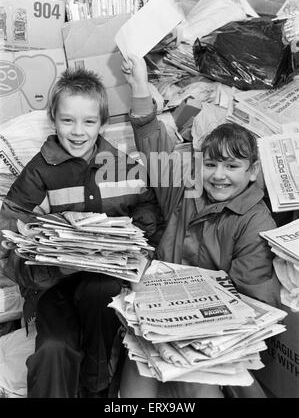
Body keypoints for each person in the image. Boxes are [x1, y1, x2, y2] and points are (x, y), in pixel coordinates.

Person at [119, 56, 281, 398]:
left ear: (252, 171)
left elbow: (255, 297)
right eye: (211, 164)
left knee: (197, 388)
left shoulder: (255, 221)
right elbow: (152, 143)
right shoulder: (185, 191)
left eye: (232, 166)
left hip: (216, 337)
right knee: (134, 393)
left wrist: (199, 326)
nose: (219, 175)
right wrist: (138, 87)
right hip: (160, 326)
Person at [0, 67, 162, 398]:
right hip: (53, 285)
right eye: (67, 121)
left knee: (100, 293)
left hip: (103, 286)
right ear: (54, 120)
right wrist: (52, 265)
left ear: (102, 124)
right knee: (53, 350)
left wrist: (138, 248)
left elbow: (147, 209)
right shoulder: (39, 174)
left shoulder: (121, 165)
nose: (77, 132)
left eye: (88, 122)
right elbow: (8, 236)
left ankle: (97, 388)